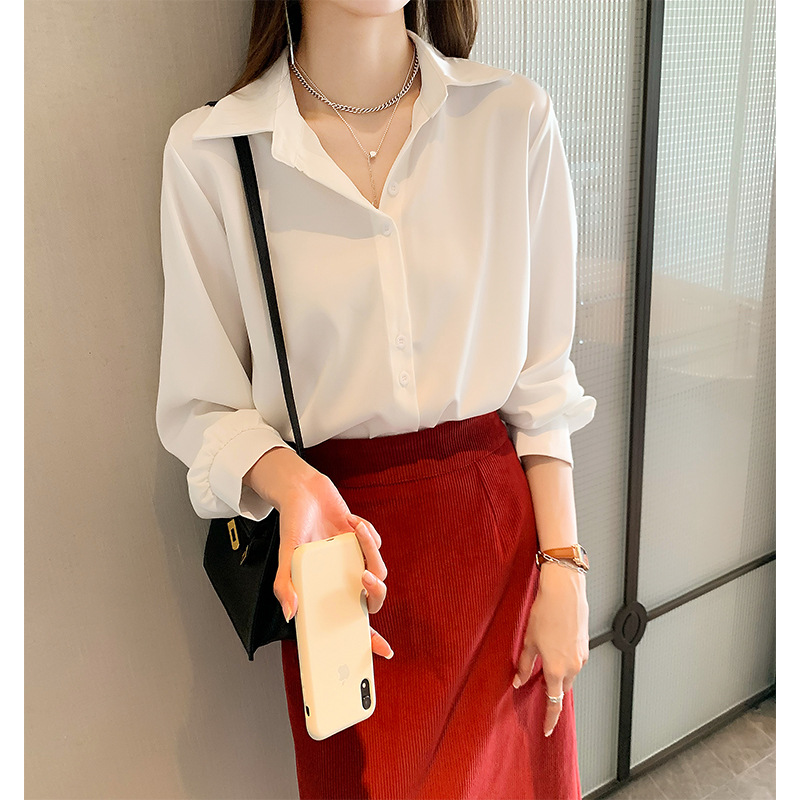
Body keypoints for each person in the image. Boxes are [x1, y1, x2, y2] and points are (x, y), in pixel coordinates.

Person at [156, 0, 598, 797]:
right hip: (339, 572)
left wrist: (564, 567)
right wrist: (298, 487)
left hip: (498, 557)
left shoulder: (511, 118)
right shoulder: (216, 151)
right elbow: (202, 409)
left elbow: (541, 386)